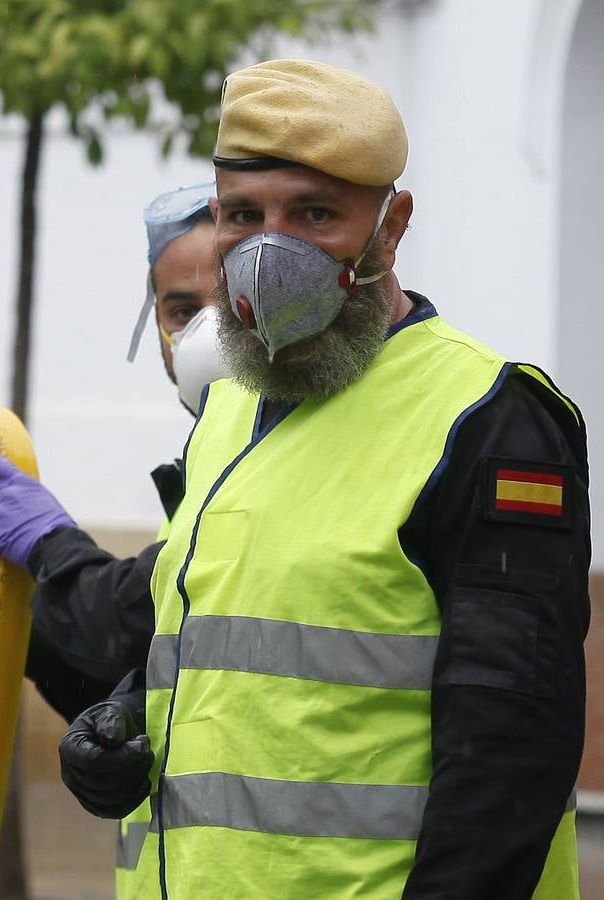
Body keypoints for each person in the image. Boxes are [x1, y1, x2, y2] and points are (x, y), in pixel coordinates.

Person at [58, 58, 589, 899]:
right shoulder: (230, 409)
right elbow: (251, 651)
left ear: (392, 224)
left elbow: (508, 760)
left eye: (314, 213)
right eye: (243, 215)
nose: (271, 251)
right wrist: (129, 722)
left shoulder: (489, 421)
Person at [0, 182, 225, 897]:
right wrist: (23, 631)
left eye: (228, 305)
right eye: (182, 311)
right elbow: (149, 662)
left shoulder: (277, 461)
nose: (205, 336)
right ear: (153, 325)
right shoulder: (208, 465)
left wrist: (50, 546)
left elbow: (128, 614)